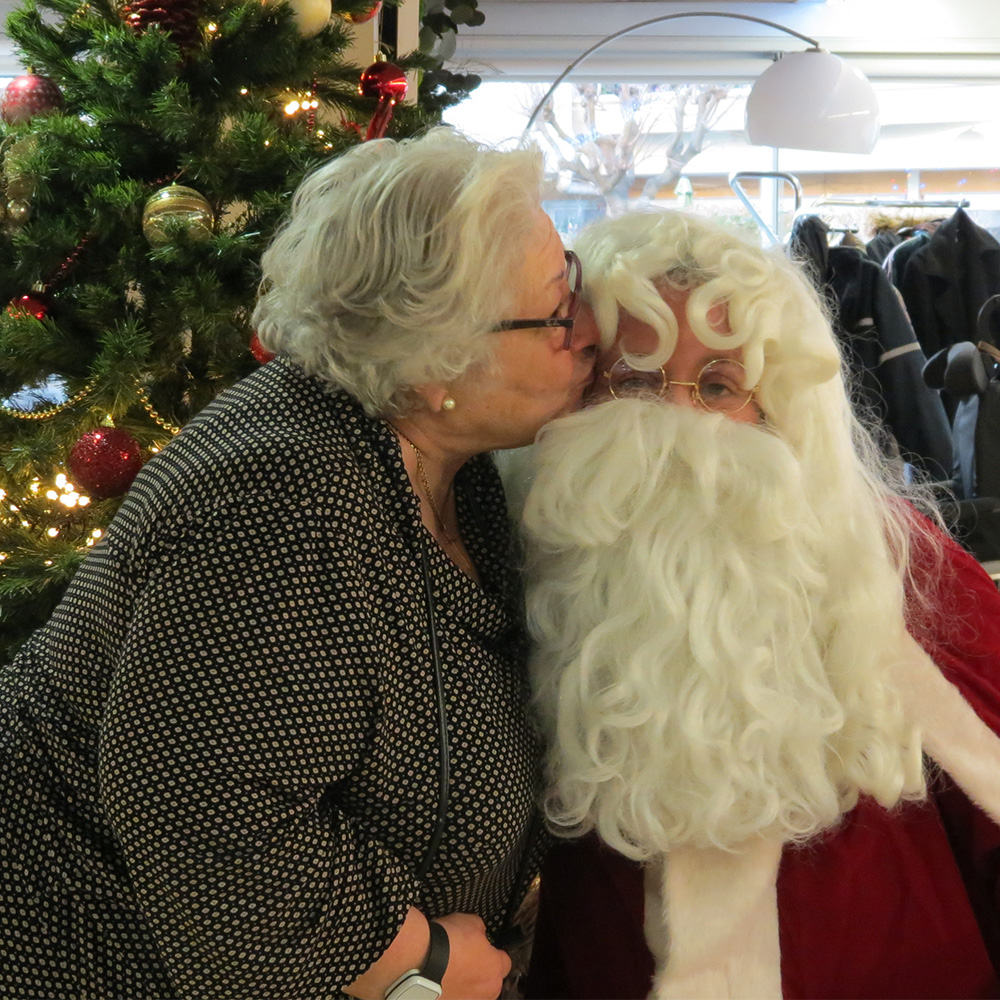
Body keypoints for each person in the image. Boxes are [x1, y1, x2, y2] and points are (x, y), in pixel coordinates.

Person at [0, 127, 598, 1000]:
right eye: (555, 310)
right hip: (88, 956)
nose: (588, 327)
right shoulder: (287, 503)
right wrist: (421, 962)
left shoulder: (444, 466)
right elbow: (205, 823)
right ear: (440, 361)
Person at [513, 209, 1000, 999]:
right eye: (633, 383)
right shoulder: (516, 562)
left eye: (717, 387)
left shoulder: (891, 565)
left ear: (779, 413)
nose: (678, 426)